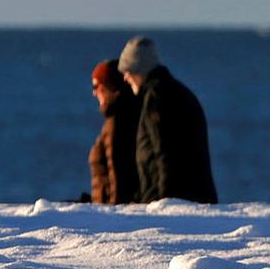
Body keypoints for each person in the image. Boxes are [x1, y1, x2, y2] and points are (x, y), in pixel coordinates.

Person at [118, 35, 218, 203]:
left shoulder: (157, 97)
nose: (125, 77)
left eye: (128, 71)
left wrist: (163, 204)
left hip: (176, 202)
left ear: (140, 68)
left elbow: (164, 154)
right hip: (194, 198)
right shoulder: (177, 92)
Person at [87, 59, 139, 204]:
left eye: (96, 86)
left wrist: (114, 214)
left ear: (108, 86)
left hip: (110, 211)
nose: (94, 93)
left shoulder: (116, 122)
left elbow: (117, 174)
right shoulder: (129, 115)